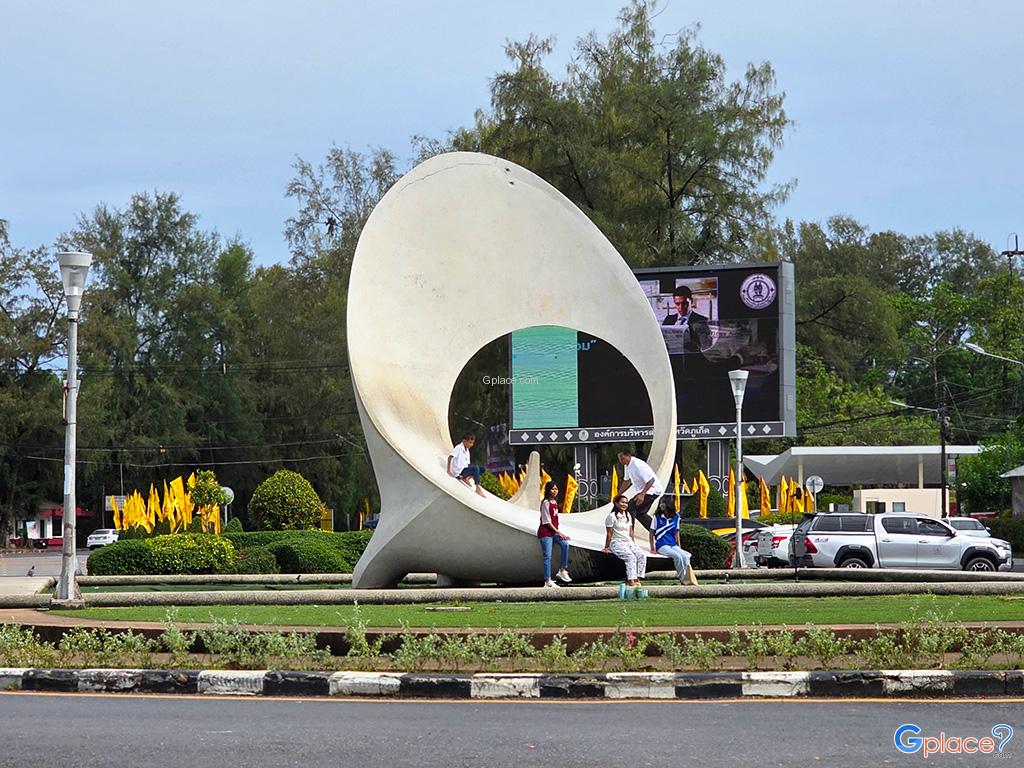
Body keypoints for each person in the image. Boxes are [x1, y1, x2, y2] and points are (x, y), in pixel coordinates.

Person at [649, 498, 696, 586]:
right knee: (677, 556)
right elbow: (651, 532)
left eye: (663, 504)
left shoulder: (676, 517)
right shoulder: (657, 517)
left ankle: (688, 578)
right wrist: (652, 548)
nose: (661, 506)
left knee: (685, 557)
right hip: (662, 544)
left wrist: (679, 546)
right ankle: (683, 580)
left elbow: (676, 532)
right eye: (661, 504)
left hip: (673, 544)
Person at [603, 494, 646, 587]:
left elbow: (631, 531)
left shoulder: (628, 515)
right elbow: (609, 533)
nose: (624, 505)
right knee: (630, 557)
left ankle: (637, 579)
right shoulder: (611, 517)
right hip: (617, 542)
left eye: (626, 503)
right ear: (616, 503)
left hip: (628, 542)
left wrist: (633, 544)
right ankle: (631, 580)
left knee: (641, 555)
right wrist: (606, 547)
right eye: (622, 502)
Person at [617, 450, 664, 530]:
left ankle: (629, 531)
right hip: (646, 491)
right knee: (640, 513)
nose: (621, 461)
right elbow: (627, 481)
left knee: (629, 508)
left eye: (622, 458)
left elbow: (651, 480)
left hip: (652, 490)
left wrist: (642, 494)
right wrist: (618, 494)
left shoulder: (637, 465)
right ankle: (657, 531)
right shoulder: (627, 465)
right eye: (619, 459)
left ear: (628, 456)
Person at [537, 481, 572, 588]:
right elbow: (547, 521)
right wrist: (559, 533)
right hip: (546, 533)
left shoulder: (555, 503)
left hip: (553, 532)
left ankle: (562, 569)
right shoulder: (546, 503)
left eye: (556, 489)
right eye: (553, 489)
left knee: (565, 545)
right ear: (548, 490)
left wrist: (558, 533)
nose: (555, 491)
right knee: (547, 556)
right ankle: (547, 580)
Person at [661, 285, 712, 353]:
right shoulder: (668, 319)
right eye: (677, 304)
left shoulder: (702, 321)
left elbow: (706, 346)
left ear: (692, 301)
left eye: (685, 303)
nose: (681, 307)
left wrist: (696, 347)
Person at [447, 432, 486, 497]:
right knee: (475, 468)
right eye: (470, 443)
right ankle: (478, 488)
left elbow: (467, 464)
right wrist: (449, 470)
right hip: (459, 471)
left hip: (464, 471)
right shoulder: (459, 448)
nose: (472, 445)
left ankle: (466, 478)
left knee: (482, 469)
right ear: (464, 441)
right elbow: (450, 457)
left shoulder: (467, 451)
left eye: (472, 443)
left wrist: (468, 474)